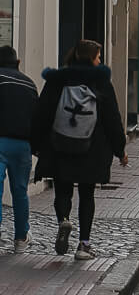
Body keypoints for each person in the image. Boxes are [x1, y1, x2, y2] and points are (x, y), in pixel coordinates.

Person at [32, 40, 127, 260]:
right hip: (92, 149)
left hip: (60, 146)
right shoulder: (101, 82)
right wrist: (119, 150)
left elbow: (42, 113)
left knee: (62, 188)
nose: (100, 61)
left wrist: (36, 144)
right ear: (92, 58)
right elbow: (112, 118)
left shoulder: (58, 79)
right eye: (98, 57)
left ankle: (64, 219)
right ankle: (83, 245)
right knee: (87, 194)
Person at [0, 45, 38, 253]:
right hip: (23, 145)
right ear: (18, 63)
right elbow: (37, 117)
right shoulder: (29, 84)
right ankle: (21, 238)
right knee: (20, 191)